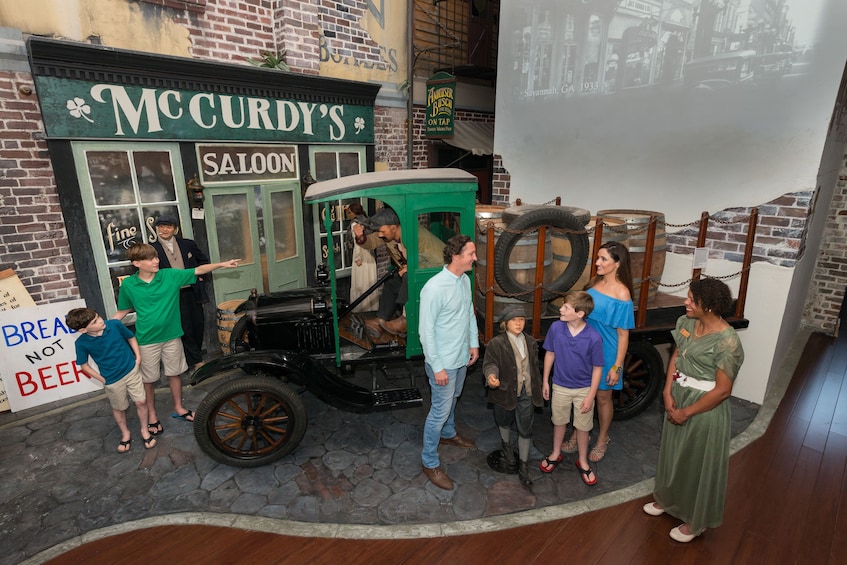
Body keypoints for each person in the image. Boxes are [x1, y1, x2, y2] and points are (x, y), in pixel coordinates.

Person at [643, 277, 744, 542]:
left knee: (697, 462)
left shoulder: (728, 342)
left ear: (708, 306)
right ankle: (668, 499)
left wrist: (686, 413)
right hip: (678, 395)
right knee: (673, 452)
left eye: (691, 299)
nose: (685, 303)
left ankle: (695, 521)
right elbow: (677, 355)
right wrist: (666, 391)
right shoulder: (686, 322)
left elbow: (723, 390)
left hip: (705, 407)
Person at [114, 243, 239, 436]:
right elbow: (123, 311)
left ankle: (179, 408)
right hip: (146, 341)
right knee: (149, 380)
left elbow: (197, 269)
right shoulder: (129, 285)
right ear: (137, 263)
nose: (156, 260)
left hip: (172, 337)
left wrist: (222, 264)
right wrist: (104, 326)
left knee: (175, 374)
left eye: (156, 257)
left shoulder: (169, 276)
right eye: (150, 258)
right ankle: (152, 415)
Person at [562, 240, 635, 462]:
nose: (597, 262)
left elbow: (623, 334)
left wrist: (617, 366)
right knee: (583, 395)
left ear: (618, 263)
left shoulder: (622, 294)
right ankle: (579, 432)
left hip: (607, 353)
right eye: (598, 257)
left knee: (603, 397)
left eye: (603, 259)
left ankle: (603, 438)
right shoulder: (595, 283)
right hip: (585, 349)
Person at [419, 234, 480, 490]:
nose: (475, 258)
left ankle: (448, 433)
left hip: (460, 358)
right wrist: (437, 366)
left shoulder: (464, 280)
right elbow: (426, 331)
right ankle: (429, 462)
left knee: (453, 399)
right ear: (456, 257)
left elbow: (469, 313)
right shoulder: (433, 288)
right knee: (438, 412)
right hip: (442, 363)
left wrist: (474, 343)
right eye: (471, 254)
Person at [66, 307, 156, 453]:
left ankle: (145, 430)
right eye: (95, 321)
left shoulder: (114, 325)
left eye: (98, 316)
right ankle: (125, 433)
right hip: (112, 379)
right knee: (119, 407)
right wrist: (102, 378)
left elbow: (131, 337)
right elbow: (84, 365)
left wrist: (138, 357)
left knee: (141, 401)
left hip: (130, 370)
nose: (100, 320)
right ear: (83, 330)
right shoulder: (81, 343)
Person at [539, 291, 604, 486]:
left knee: (583, 427)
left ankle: (583, 461)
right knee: (558, 421)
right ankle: (556, 452)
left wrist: (591, 396)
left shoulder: (593, 337)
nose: (561, 309)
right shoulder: (556, 328)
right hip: (560, 385)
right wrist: (545, 381)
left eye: (566, 307)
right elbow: (550, 354)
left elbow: (597, 369)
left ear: (580, 313)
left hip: (584, 389)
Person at [352, 206, 444, 339]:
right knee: (391, 282)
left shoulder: (417, 235)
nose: (379, 234)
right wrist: (361, 237)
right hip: (417, 273)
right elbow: (371, 242)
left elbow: (439, 262)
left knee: (408, 277)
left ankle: (405, 321)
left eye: (381, 231)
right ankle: (380, 320)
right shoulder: (389, 234)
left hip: (436, 274)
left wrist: (412, 267)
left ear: (394, 227)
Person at [483, 305, 543, 486]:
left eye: (522, 319)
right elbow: (490, 364)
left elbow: (533, 367)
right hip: (505, 392)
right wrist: (491, 376)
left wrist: (540, 385)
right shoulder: (496, 343)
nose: (518, 323)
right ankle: (506, 448)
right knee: (503, 420)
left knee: (526, 427)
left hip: (527, 392)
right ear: (504, 323)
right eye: (514, 320)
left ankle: (524, 465)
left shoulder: (531, 342)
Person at [150, 215, 210, 371]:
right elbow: (150, 271)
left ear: (175, 229)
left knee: (198, 323)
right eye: (161, 226)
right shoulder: (152, 249)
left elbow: (203, 261)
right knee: (185, 327)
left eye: (168, 226)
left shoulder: (187, 244)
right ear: (157, 228)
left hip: (193, 290)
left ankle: (193, 356)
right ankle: (196, 361)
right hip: (172, 295)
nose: (164, 229)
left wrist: (200, 276)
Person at [345, 203, 379, 313]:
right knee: (368, 280)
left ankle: (360, 308)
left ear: (354, 212)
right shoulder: (366, 221)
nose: (348, 215)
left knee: (361, 281)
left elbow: (357, 242)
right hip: (369, 252)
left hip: (361, 252)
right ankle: (371, 307)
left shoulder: (355, 224)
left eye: (349, 212)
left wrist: (357, 257)